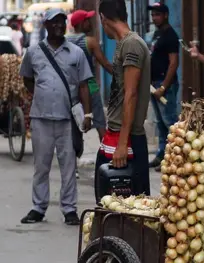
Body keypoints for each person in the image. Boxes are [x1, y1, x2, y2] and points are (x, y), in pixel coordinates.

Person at [19, 8, 93, 225]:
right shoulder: (33, 52)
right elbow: (27, 79)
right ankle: (38, 208)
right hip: (41, 118)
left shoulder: (76, 53)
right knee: (41, 166)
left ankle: (69, 209)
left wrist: (87, 114)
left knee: (69, 166)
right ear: (46, 25)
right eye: (54, 22)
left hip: (67, 120)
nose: (59, 25)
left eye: (62, 21)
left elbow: (84, 85)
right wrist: (43, 95)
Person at [96, 0, 151, 203]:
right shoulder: (123, 43)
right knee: (109, 204)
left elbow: (131, 94)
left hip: (127, 138)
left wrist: (121, 144)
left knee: (131, 204)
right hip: (118, 134)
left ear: (104, 19)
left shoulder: (132, 44)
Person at [67, 9, 113, 142]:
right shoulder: (90, 41)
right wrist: (121, 76)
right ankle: (106, 155)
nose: (90, 22)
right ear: (81, 23)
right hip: (90, 88)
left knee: (73, 126)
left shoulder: (66, 42)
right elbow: (105, 64)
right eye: (87, 20)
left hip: (72, 90)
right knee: (100, 126)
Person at [147, 2, 180, 172]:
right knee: (160, 123)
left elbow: (174, 63)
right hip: (154, 85)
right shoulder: (157, 34)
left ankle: (176, 158)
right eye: (152, 15)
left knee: (170, 123)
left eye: (157, 15)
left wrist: (163, 87)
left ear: (165, 15)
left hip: (165, 86)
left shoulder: (170, 36)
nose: (154, 18)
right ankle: (162, 155)